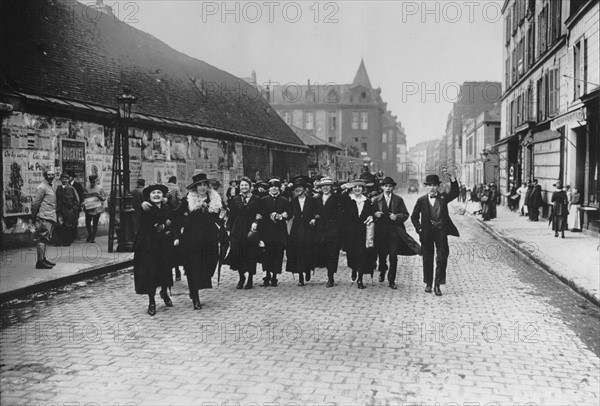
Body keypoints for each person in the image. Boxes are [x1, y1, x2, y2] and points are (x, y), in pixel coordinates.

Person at [173, 173, 224, 310]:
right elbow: (176, 216)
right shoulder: (188, 201)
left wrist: (221, 221)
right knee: (192, 267)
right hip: (192, 239)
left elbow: (222, 214)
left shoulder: (215, 199)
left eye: (204, 185)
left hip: (210, 238)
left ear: (208, 186)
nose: (202, 187)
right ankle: (195, 295)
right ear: (195, 187)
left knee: (210, 264)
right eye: (199, 185)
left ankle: (196, 287)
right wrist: (177, 235)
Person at [411, 169, 459, 297]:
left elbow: (455, 193)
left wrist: (453, 179)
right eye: (430, 185)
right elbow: (414, 217)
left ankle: (437, 284)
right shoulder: (421, 200)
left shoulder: (443, 197)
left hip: (441, 232)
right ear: (426, 187)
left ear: (438, 186)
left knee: (442, 258)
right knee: (427, 258)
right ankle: (428, 283)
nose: (432, 188)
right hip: (426, 233)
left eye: (434, 185)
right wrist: (419, 229)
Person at [372, 177, 421, 290]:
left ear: (393, 187)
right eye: (386, 186)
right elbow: (370, 214)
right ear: (382, 187)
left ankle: (391, 280)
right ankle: (382, 271)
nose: (388, 188)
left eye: (390, 186)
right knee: (382, 255)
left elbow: (405, 214)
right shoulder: (376, 200)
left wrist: (396, 217)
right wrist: (375, 214)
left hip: (394, 232)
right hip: (380, 232)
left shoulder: (398, 200)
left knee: (393, 256)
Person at [133, 184, 174, 316]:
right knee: (151, 272)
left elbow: (172, 220)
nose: (156, 195)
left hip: (164, 245)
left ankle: (164, 292)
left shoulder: (167, 207)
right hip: (149, 245)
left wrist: (168, 226)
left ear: (163, 196)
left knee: (165, 270)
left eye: (159, 193)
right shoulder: (146, 207)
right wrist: (163, 225)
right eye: (153, 193)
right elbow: (147, 225)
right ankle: (151, 302)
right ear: (149, 196)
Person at [225, 176, 262, 290]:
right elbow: (231, 216)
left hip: (251, 230)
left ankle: (250, 278)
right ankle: (241, 278)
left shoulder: (256, 199)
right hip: (238, 229)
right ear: (239, 187)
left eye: (246, 185)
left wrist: (257, 221)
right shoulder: (235, 199)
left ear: (250, 187)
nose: (244, 187)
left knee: (251, 254)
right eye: (242, 185)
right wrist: (228, 229)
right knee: (239, 254)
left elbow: (260, 213)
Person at [341, 178, 375, 289]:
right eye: (355, 187)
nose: (357, 189)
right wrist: (344, 187)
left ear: (363, 189)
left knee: (362, 255)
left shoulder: (368, 201)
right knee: (352, 254)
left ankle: (360, 279)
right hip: (350, 232)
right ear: (352, 188)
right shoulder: (347, 200)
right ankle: (354, 269)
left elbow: (371, 213)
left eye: (359, 187)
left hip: (362, 232)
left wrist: (371, 216)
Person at [286, 177, 318, 286]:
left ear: (305, 189)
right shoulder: (293, 201)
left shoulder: (312, 200)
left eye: (300, 187)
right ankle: (300, 277)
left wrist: (314, 218)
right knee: (298, 252)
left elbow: (316, 212)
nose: (298, 189)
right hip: (297, 229)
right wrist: (285, 215)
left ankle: (308, 270)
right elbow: (290, 214)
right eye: (296, 188)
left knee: (308, 251)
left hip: (309, 229)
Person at [259, 178, 290, 287]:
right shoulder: (263, 200)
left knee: (278, 253)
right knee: (267, 253)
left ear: (279, 188)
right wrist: (268, 215)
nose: (274, 188)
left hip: (279, 231)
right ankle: (267, 275)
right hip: (267, 231)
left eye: (276, 186)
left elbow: (289, 213)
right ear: (269, 188)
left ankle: (275, 276)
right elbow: (261, 213)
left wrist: (282, 215)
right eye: (272, 186)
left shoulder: (284, 200)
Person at [314, 177, 342, 288]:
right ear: (320, 188)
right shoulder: (317, 199)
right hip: (320, 230)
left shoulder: (336, 199)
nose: (325, 188)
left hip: (333, 229)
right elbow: (313, 211)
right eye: (323, 186)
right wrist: (315, 216)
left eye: (327, 185)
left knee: (332, 253)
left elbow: (341, 213)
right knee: (323, 252)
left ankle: (331, 278)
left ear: (331, 187)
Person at [31, 167, 57, 269]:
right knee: (42, 238)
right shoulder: (42, 187)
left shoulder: (49, 186)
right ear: (45, 175)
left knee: (45, 239)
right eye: (49, 174)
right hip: (43, 217)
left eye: (52, 174)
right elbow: (35, 204)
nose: (51, 176)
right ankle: (40, 262)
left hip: (49, 216)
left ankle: (43, 258)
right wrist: (33, 217)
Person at [56, 173, 80, 246]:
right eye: (63, 179)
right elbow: (56, 199)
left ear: (68, 180)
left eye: (66, 179)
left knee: (68, 226)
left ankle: (67, 241)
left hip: (69, 211)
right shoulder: (58, 189)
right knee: (60, 225)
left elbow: (77, 200)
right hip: (60, 210)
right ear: (60, 180)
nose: (64, 180)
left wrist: (73, 209)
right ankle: (60, 241)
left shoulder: (71, 189)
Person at [82, 175, 106, 243]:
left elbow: (104, 198)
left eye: (94, 181)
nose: (92, 183)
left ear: (96, 181)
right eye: (91, 181)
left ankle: (93, 237)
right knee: (87, 222)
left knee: (95, 223)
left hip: (97, 209)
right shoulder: (86, 188)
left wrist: (100, 197)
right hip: (89, 208)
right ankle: (90, 234)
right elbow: (84, 197)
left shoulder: (100, 188)